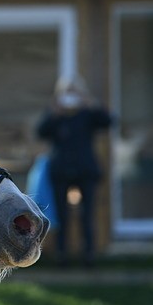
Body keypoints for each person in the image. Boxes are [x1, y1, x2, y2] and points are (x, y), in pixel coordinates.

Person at [36, 77, 112, 267]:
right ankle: (61, 255)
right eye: (67, 92)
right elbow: (41, 132)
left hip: (85, 170)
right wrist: (54, 113)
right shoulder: (57, 115)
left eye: (74, 92)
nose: (70, 96)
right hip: (61, 171)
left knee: (88, 214)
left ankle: (89, 255)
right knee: (61, 215)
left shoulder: (88, 114)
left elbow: (108, 121)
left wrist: (90, 104)